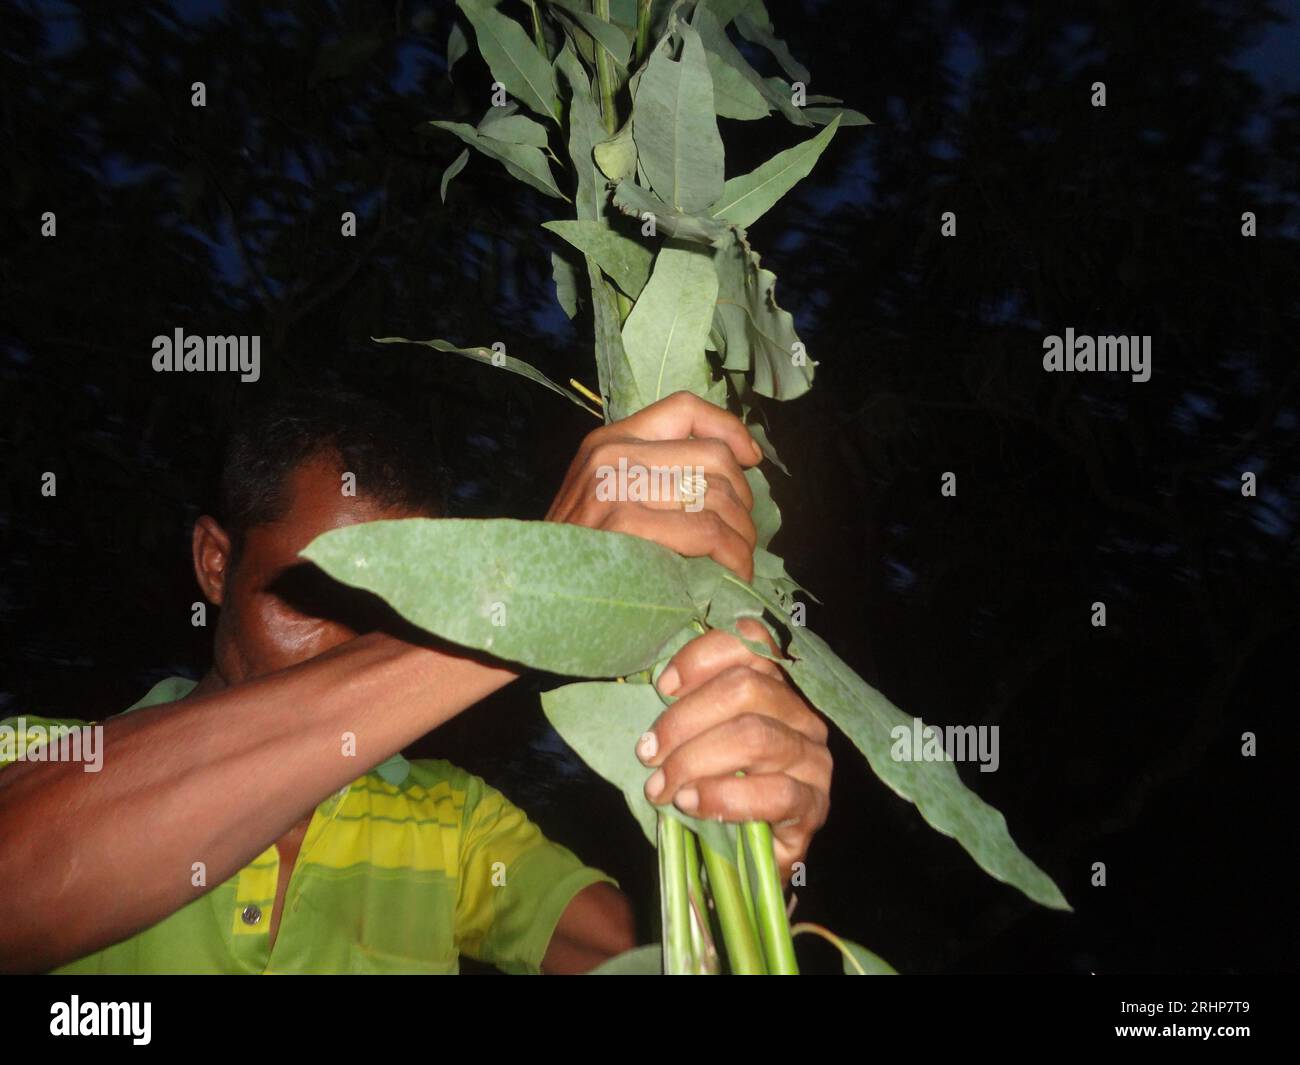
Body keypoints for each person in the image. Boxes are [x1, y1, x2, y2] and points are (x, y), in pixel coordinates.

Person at [0, 387, 831, 974]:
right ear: (216, 562)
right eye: (311, 594)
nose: (347, 650)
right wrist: (518, 599)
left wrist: (740, 839)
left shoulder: (453, 823)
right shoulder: (43, 758)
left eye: (399, 610)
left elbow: (650, 959)